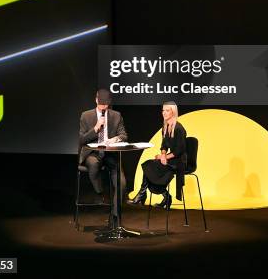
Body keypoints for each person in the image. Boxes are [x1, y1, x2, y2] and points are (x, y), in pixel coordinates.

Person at [79, 89, 128, 224]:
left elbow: (124, 135)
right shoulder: (86, 116)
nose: (103, 108)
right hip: (92, 152)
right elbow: (82, 139)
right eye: (101, 105)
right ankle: (99, 193)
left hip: (110, 153)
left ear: (109, 103)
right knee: (94, 164)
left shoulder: (116, 115)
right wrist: (95, 128)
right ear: (96, 100)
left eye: (105, 105)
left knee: (122, 183)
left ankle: (115, 215)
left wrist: (115, 139)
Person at [129, 101, 187, 209]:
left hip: (179, 161)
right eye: (163, 110)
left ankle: (142, 195)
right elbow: (164, 145)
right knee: (149, 165)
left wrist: (164, 157)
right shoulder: (165, 127)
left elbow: (180, 150)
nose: (164, 113)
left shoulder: (179, 128)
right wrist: (163, 154)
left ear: (173, 112)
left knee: (150, 166)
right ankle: (163, 196)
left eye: (167, 110)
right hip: (170, 158)